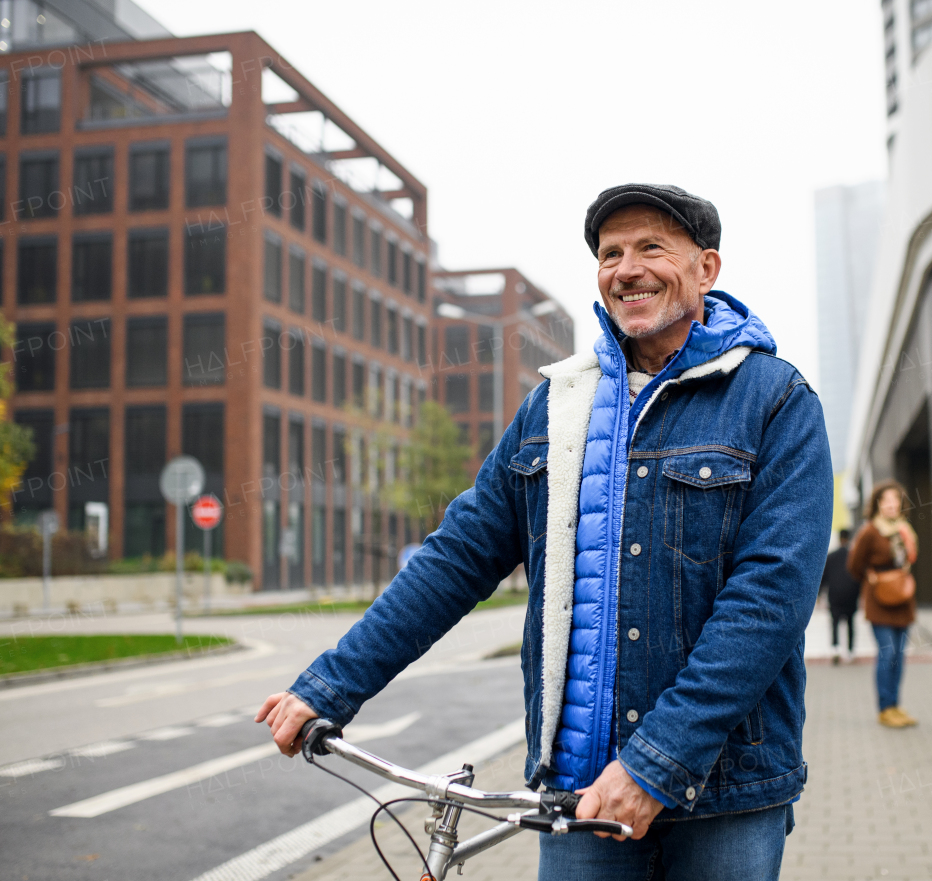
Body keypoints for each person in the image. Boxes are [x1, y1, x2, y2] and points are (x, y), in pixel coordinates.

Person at [256, 183, 833, 879]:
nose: (627, 268)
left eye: (652, 246)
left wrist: (655, 765)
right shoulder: (553, 407)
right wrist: (333, 684)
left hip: (726, 792)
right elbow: (457, 557)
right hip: (579, 791)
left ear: (706, 269)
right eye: (611, 252)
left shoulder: (775, 400)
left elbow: (768, 602)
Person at [846, 480, 918, 728]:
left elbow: (907, 559)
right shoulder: (870, 531)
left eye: (896, 500)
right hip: (879, 601)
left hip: (903, 599)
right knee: (887, 654)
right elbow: (854, 565)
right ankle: (885, 708)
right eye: (887, 500)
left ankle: (896, 705)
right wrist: (871, 577)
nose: (892, 505)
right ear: (877, 503)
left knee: (899, 656)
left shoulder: (903, 530)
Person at [821, 528, 860, 663]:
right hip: (851, 594)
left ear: (839, 538)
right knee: (850, 622)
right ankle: (850, 651)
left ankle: (835, 648)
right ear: (849, 538)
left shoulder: (831, 556)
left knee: (835, 622)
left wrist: (820, 595)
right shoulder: (854, 555)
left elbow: (824, 577)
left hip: (835, 594)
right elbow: (859, 575)